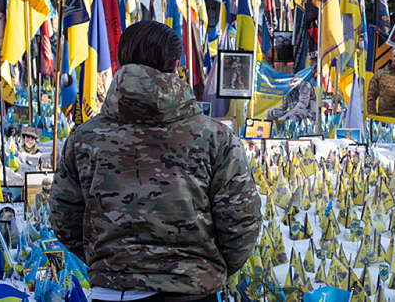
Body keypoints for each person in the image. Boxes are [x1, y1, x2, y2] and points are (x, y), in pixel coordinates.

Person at [49, 21, 262, 302]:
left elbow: (63, 218)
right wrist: (205, 271)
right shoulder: (215, 137)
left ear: (121, 61)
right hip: (191, 293)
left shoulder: (84, 139)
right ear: (175, 66)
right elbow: (241, 222)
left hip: (114, 292)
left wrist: (111, 263)